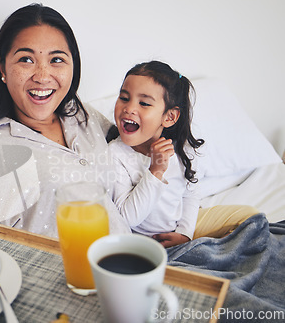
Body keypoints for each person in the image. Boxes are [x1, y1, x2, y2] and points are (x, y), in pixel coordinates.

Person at [0, 3, 130, 238]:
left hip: (141, 257)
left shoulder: (82, 115)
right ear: (3, 68)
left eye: (57, 60)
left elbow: (136, 156)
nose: (42, 76)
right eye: (26, 60)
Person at [109, 60, 259, 248]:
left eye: (144, 103)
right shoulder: (116, 153)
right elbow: (127, 218)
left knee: (251, 216)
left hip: (180, 230)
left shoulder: (182, 149)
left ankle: (199, 244)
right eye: (124, 97)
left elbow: (190, 195)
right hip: (144, 242)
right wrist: (155, 171)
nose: (129, 108)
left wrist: (185, 233)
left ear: (169, 117)